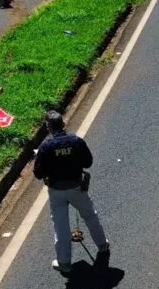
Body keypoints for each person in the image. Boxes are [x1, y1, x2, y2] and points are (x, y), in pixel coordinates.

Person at [33, 110, 110, 274]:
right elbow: (88, 162)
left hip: (56, 191)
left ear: (48, 127)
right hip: (77, 188)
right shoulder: (76, 141)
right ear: (63, 124)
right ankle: (102, 245)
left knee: (60, 226)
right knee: (90, 215)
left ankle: (64, 263)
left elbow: (38, 173)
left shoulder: (46, 146)